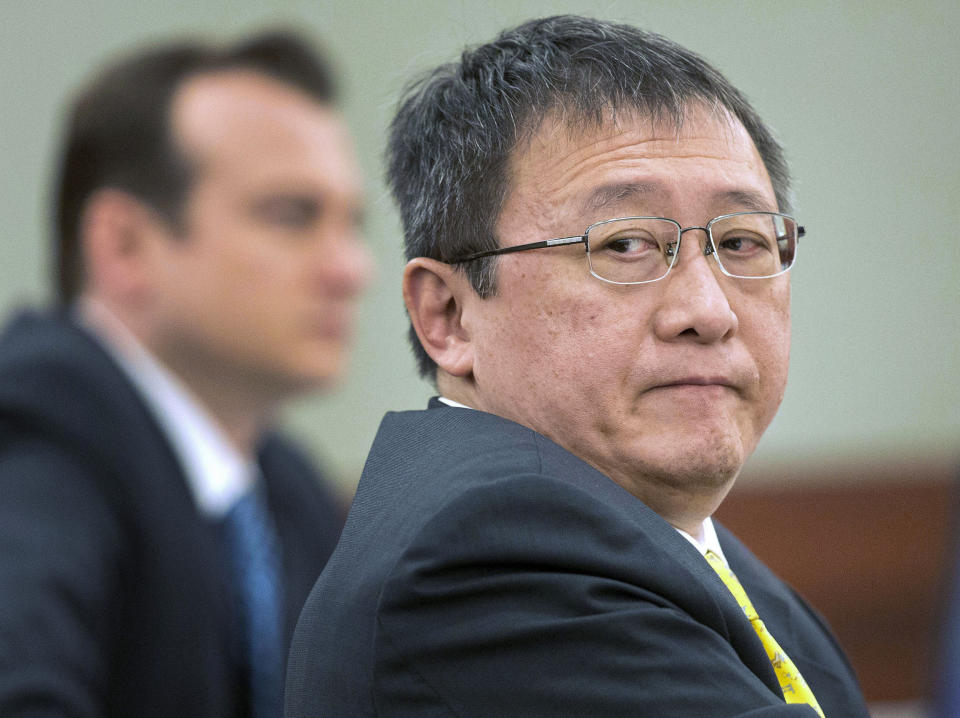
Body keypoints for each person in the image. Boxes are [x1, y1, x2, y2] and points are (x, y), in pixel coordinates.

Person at [286, 15, 870, 718]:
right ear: (447, 314)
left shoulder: (727, 573)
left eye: (742, 241)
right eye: (624, 245)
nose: (708, 311)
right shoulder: (490, 555)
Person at [0, 29, 372, 718]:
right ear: (125, 244)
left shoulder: (285, 493)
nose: (351, 270)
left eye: (352, 225)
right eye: (292, 217)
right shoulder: (36, 434)